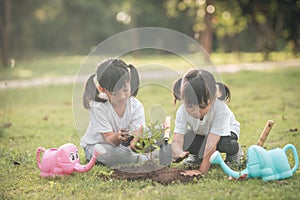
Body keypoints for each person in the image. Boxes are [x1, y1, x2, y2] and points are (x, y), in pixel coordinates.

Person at [171, 69, 243, 176]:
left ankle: (234, 152)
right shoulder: (182, 111)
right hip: (203, 133)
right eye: (190, 106)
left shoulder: (220, 108)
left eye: (202, 106)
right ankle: (197, 156)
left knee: (223, 144)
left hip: (226, 133)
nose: (196, 112)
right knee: (187, 138)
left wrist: (201, 171)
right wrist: (178, 152)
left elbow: (212, 143)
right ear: (183, 99)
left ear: (213, 98)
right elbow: (177, 139)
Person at [80, 58, 147, 167]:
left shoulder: (135, 106)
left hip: (122, 148)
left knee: (153, 132)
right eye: (115, 93)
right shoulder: (98, 107)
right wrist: (118, 137)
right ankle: (141, 157)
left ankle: (130, 155)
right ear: (102, 89)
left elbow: (138, 133)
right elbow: (110, 140)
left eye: (125, 89)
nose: (122, 96)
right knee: (109, 153)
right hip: (97, 146)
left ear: (130, 82)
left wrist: (135, 141)